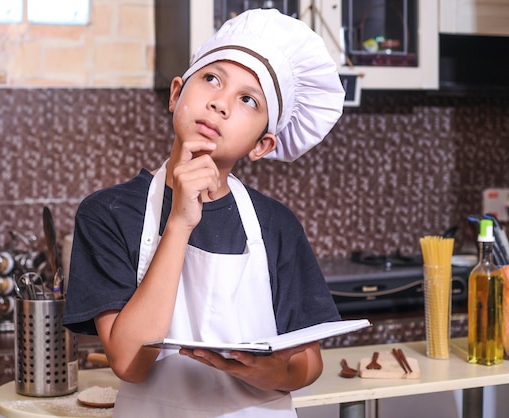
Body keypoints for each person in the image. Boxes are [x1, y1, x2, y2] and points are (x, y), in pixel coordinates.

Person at [63, 8, 345, 417]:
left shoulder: (275, 225)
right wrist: (179, 222)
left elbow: (309, 362)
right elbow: (129, 362)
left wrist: (270, 372)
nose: (220, 104)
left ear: (262, 145)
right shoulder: (108, 213)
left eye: (249, 100)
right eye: (211, 79)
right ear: (177, 93)